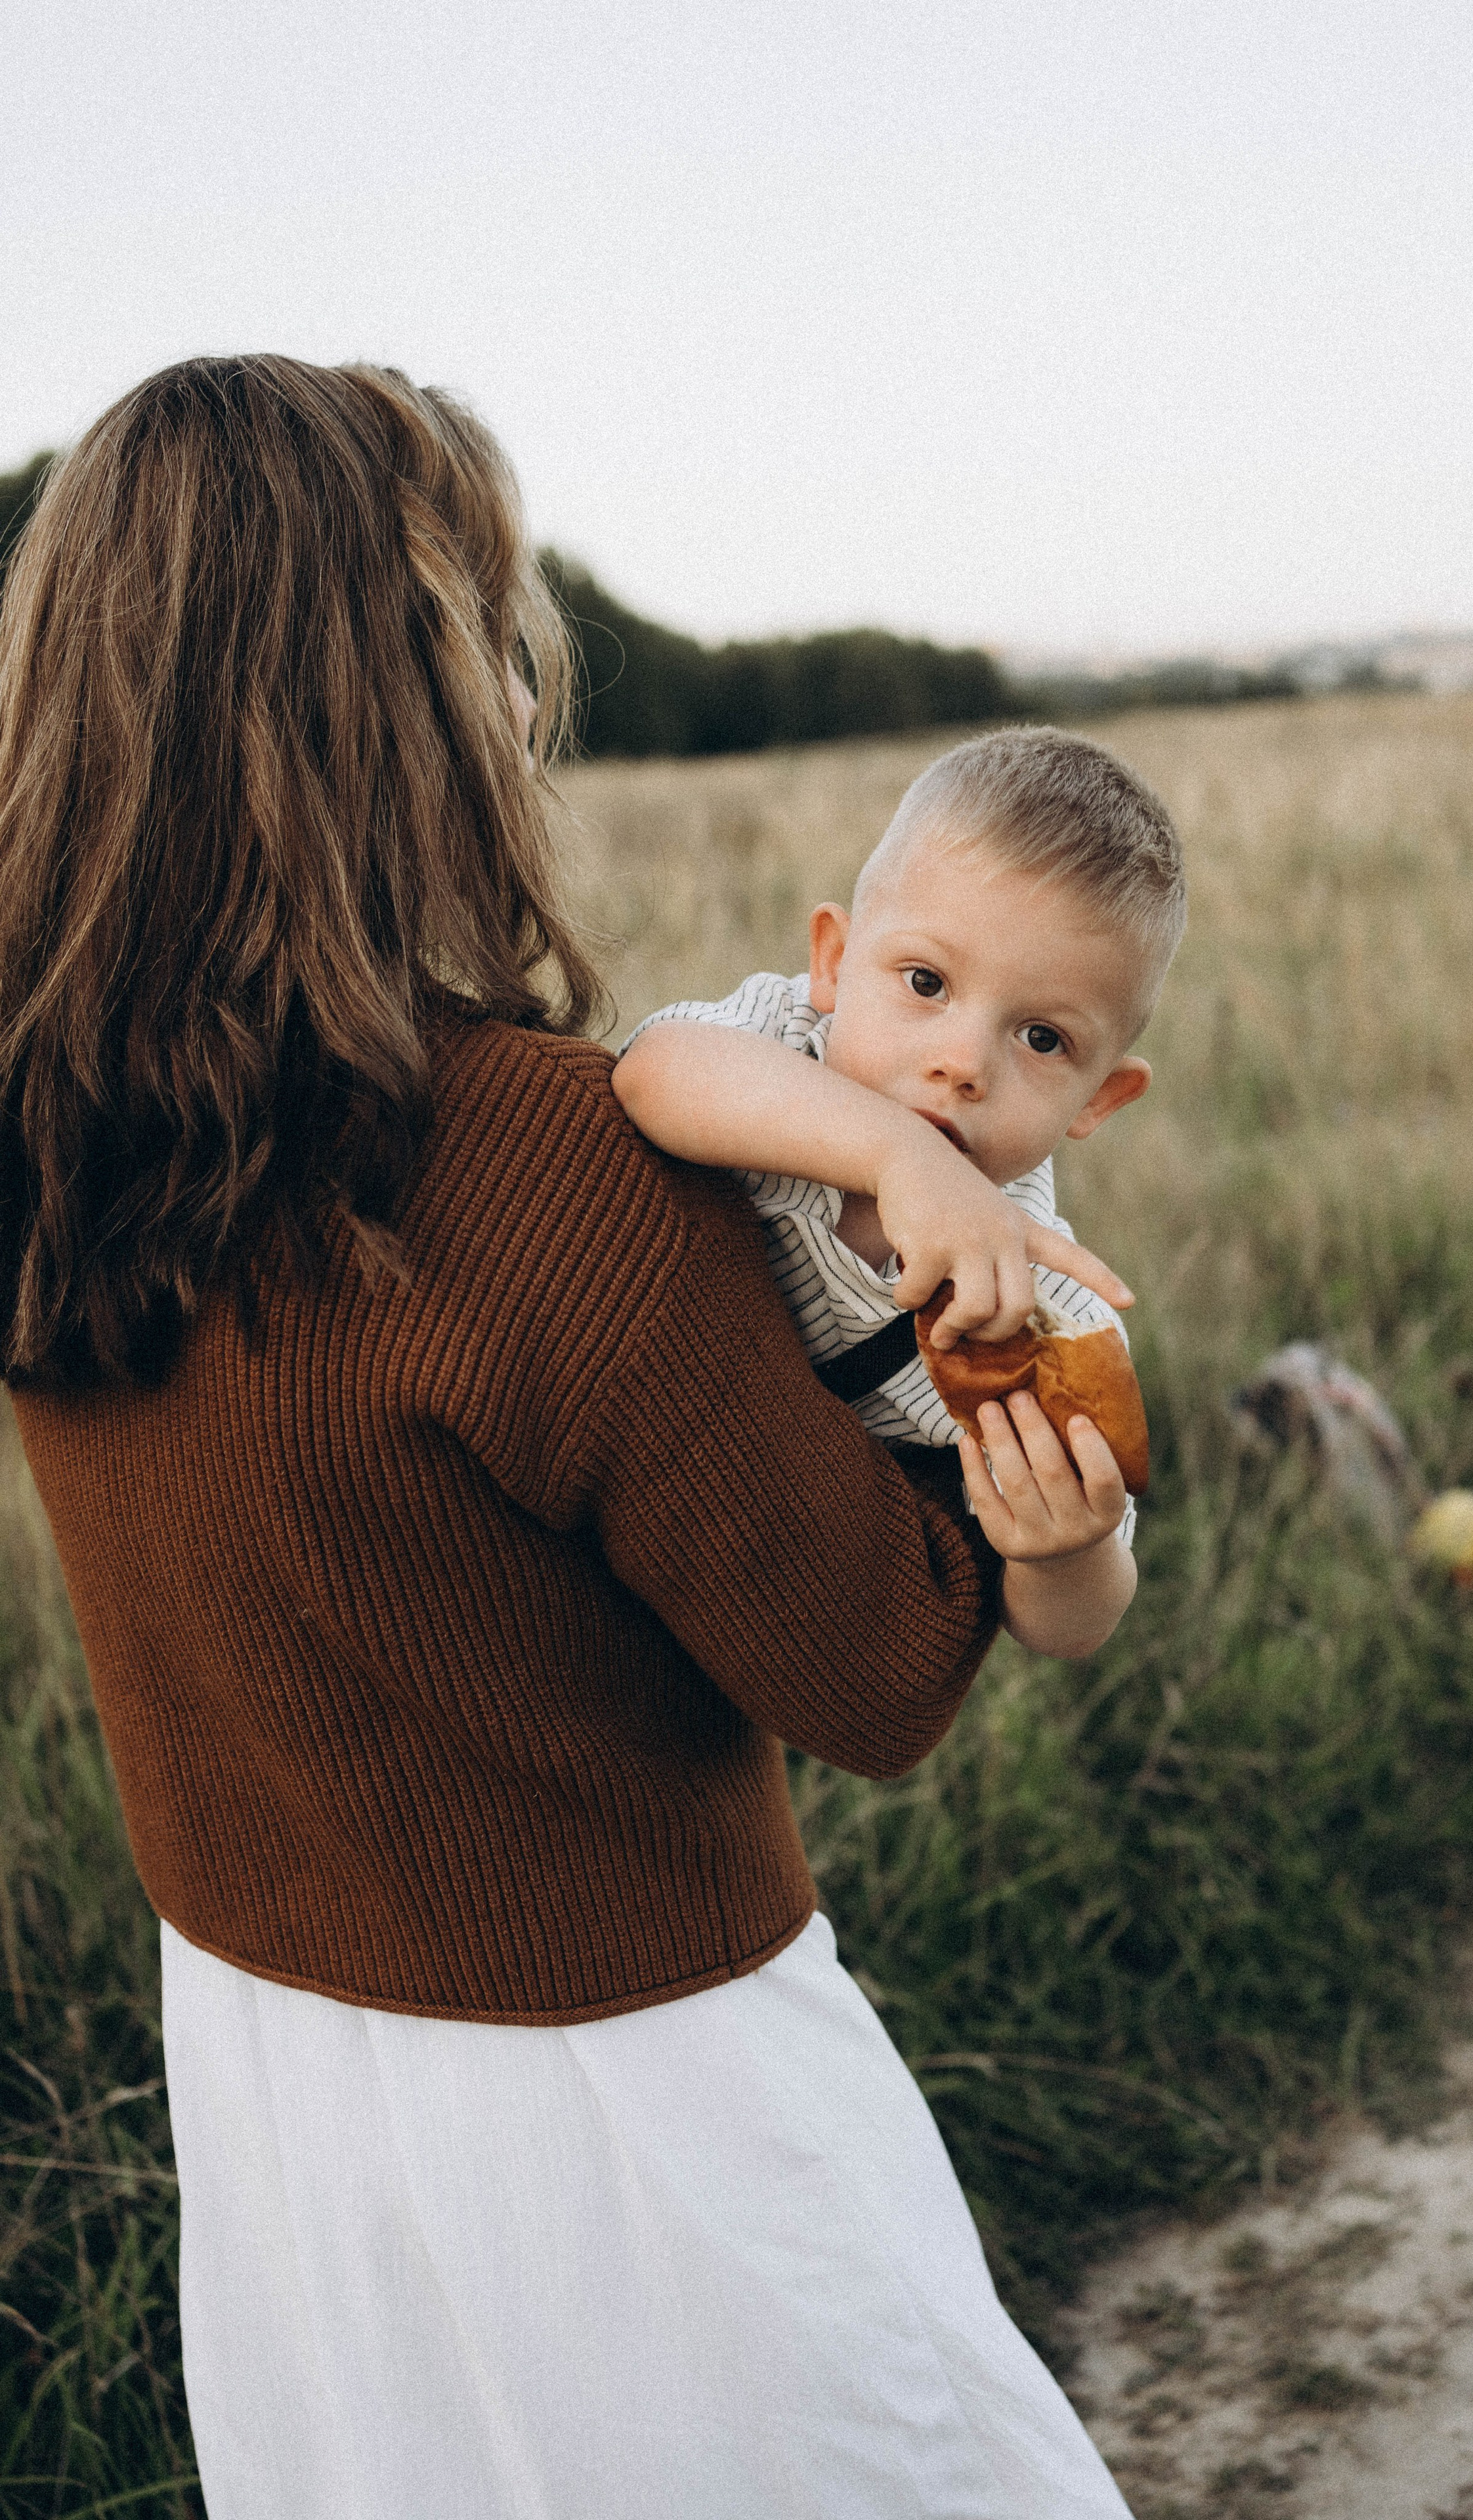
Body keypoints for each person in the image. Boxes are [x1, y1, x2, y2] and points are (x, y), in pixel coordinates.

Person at [0, 357, 1133, 2516]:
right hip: (645, 2118)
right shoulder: (539, 1174)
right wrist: (946, 1379)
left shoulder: (47, 1158)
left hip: (270, 2091)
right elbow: (881, 1676)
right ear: (408, 701)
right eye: (491, 633)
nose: (527, 699)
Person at [613, 726, 1185, 1663]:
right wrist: (896, 1157)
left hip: (722, 1606)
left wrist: (1067, 1555)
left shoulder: (1042, 1317)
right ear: (835, 963)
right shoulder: (781, 1038)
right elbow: (652, 1074)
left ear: (1102, 1097)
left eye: (1042, 1040)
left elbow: (1069, 1632)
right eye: (926, 982)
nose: (962, 1062)